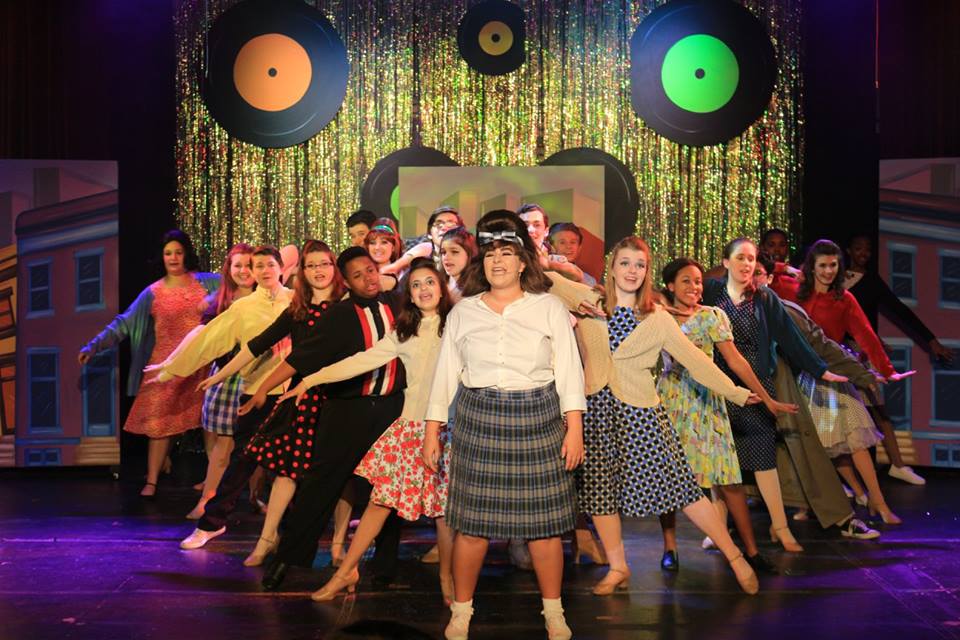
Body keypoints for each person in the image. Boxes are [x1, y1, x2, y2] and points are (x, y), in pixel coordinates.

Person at [548, 236, 760, 599]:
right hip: (596, 410)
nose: (632, 271)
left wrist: (737, 393)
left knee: (684, 490)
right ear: (612, 268)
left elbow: (696, 362)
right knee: (600, 494)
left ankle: (736, 556)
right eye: (625, 263)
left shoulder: (658, 319)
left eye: (640, 265)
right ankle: (618, 566)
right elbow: (543, 279)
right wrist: (549, 260)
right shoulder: (588, 301)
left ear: (647, 272)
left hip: (642, 411)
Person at [424, 210, 585, 640]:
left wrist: (574, 429)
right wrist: (431, 431)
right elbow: (444, 376)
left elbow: (569, 370)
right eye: (491, 254)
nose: (498, 262)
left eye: (507, 254)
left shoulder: (549, 307)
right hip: (479, 419)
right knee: (471, 528)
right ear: (483, 262)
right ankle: (461, 612)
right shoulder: (463, 312)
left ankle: (553, 612)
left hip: (539, 418)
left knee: (545, 529)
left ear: (521, 262)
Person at [282, 258, 455, 603]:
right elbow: (359, 361)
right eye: (416, 284)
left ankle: (449, 581)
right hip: (409, 427)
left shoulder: (458, 325)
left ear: (442, 287)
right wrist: (311, 380)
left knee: (445, 511)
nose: (423, 290)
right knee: (380, 502)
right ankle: (347, 571)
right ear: (409, 293)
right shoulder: (403, 331)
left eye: (429, 282)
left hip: (449, 431)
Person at [258, 246, 407, 592]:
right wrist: (266, 387)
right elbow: (303, 357)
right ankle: (287, 558)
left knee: (385, 490)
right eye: (357, 275)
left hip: (390, 409)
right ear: (347, 282)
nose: (367, 278)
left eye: (370, 270)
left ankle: (385, 565)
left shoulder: (398, 306)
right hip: (346, 410)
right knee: (319, 485)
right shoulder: (339, 315)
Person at [194, 240, 347, 564]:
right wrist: (219, 375)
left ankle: (331, 545)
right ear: (302, 272)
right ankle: (251, 535)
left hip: (333, 398)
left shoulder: (340, 305)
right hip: (289, 396)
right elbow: (255, 346)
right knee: (271, 467)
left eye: (324, 264)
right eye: (311, 266)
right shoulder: (291, 309)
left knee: (331, 474)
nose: (318, 271)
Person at [701, 237, 848, 558]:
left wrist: (820, 370)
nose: (746, 264)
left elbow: (791, 338)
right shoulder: (711, 292)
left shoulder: (764, 299)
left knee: (764, 457)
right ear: (726, 263)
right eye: (740, 258)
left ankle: (779, 526)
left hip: (758, 387)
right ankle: (719, 527)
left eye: (751, 259)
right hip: (718, 386)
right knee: (721, 463)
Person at [145, 245, 293, 547]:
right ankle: (212, 523)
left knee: (291, 469)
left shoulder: (295, 301)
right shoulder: (244, 307)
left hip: (294, 393)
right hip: (256, 394)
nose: (264, 270)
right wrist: (175, 368)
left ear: (281, 267)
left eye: (269, 264)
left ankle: (285, 534)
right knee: (241, 463)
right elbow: (209, 338)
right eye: (258, 266)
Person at [656, 257, 798, 572]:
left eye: (697, 281)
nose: (694, 287)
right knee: (671, 479)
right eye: (685, 281)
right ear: (670, 286)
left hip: (707, 404)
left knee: (728, 479)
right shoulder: (659, 317)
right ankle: (670, 547)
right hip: (671, 403)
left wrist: (766, 399)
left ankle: (750, 550)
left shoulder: (712, 317)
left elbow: (736, 362)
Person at [79, 230, 220, 497]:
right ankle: (152, 480)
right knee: (158, 424)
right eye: (169, 253)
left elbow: (235, 288)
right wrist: (93, 345)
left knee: (210, 422)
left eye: (178, 252)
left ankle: (212, 482)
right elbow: (124, 322)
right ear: (162, 257)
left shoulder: (207, 283)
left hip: (200, 361)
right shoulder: (153, 292)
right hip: (165, 366)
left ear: (186, 254)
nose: (174, 257)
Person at [786, 240, 914, 524]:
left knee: (855, 439)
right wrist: (788, 269)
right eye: (823, 265)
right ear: (811, 267)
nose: (829, 271)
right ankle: (820, 501)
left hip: (838, 374)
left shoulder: (844, 299)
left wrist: (886, 370)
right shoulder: (794, 294)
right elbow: (768, 276)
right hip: (805, 376)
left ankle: (878, 503)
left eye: (833, 265)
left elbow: (865, 334)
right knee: (816, 445)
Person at [752, 257, 881, 540]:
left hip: (782, 394)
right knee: (737, 463)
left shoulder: (786, 312)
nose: (752, 279)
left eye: (758, 273)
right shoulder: (724, 312)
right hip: (744, 396)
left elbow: (822, 346)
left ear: (769, 279)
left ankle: (843, 518)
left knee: (806, 453)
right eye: (745, 270)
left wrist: (865, 375)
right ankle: (726, 525)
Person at [845, 234, 954, 485]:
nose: (863, 253)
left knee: (877, 407)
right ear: (849, 250)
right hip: (836, 351)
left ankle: (897, 463)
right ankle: (841, 476)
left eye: (868, 249)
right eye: (858, 248)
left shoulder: (871, 282)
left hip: (863, 352)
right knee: (838, 413)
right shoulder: (835, 279)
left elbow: (900, 311)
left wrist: (931, 340)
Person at [187, 243, 255, 519]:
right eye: (237, 265)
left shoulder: (268, 299)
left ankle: (252, 498)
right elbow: (203, 339)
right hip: (227, 377)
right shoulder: (220, 303)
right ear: (228, 269)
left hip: (259, 377)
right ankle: (207, 500)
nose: (243, 271)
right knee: (223, 443)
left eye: (249, 265)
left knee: (254, 447)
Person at [383, 206, 463, 275]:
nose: (444, 228)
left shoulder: (469, 262)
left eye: (451, 224)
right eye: (439, 225)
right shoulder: (423, 258)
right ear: (429, 234)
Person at [517, 203, 583, 282]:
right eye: (525, 225)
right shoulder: (506, 254)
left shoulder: (553, 257)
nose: (530, 230)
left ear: (546, 231)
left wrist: (546, 264)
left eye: (537, 225)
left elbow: (577, 275)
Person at [549, 222, 597, 286]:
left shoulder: (590, 281)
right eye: (562, 242)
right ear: (552, 247)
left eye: (573, 242)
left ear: (579, 247)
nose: (568, 246)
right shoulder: (544, 276)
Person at [365, 217, 405, 291]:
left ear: (393, 247)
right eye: (372, 243)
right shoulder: (364, 275)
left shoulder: (404, 276)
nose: (377, 247)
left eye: (384, 242)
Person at [439, 226, 478, 299]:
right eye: (443, 252)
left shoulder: (477, 290)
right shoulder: (438, 284)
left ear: (470, 254)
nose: (446, 257)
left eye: (454, 252)